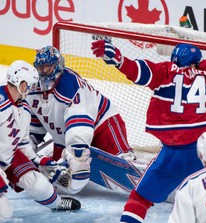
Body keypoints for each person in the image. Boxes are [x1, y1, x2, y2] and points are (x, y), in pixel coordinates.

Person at [91, 9, 206, 223]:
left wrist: (118, 58)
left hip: (171, 155)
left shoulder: (164, 72)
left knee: (140, 199)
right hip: (205, 154)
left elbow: (138, 71)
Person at [0, 60, 81, 223]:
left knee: (39, 184)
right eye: (29, 85)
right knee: (2, 214)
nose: (32, 89)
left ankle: (57, 203)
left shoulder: (23, 106)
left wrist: (42, 161)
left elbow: (22, 144)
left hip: (6, 156)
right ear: (20, 83)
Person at [26, 46, 136, 194]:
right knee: (58, 179)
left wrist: (77, 156)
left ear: (57, 66)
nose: (44, 72)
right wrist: (25, 150)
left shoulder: (71, 87)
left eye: (48, 67)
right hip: (63, 138)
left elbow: (79, 127)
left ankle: (131, 159)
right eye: (41, 67)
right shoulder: (32, 90)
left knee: (122, 162)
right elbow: (35, 126)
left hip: (102, 126)